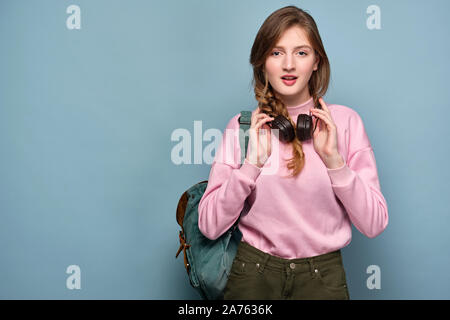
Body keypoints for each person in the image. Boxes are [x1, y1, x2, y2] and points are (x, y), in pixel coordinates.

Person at [197, 5, 389, 300]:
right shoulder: (243, 128)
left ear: (316, 62)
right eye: (276, 53)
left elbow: (374, 223)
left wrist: (335, 163)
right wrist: (250, 167)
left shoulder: (346, 123)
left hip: (323, 278)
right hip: (253, 275)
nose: (288, 64)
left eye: (301, 52)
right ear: (262, 63)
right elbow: (209, 226)